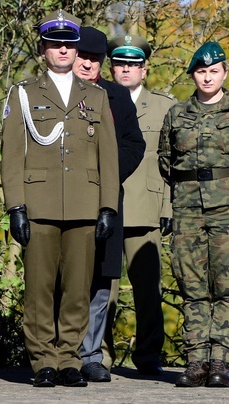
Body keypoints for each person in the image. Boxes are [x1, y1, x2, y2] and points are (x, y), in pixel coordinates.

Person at [1, 11, 120, 387]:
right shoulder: (24, 94)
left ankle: (70, 357)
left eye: (69, 43)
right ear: (43, 50)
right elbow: (10, 154)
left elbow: (109, 156)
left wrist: (107, 206)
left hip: (84, 205)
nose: (64, 50)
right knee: (38, 289)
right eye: (56, 44)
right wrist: (16, 206)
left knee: (77, 289)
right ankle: (43, 361)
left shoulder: (96, 96)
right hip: (39, 205)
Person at [158, 42, 229, 388]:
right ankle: (195, 362)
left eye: (214, 71)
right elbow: (166, 162)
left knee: (228, 286)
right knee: (192, 285)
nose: (207, 77)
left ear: (224, 73)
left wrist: (228, 193)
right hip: (188, 210)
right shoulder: (176, 114)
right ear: (194, 74)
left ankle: (220, 360)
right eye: (201, 71)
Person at [72, 26, 145, 382]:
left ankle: (90, 354)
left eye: (94, 58)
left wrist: (108, 177)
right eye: (82, 55)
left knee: (101, 280)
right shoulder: (54, 92)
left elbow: (135, 144)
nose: (87, 63)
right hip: (64, 198)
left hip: (105, 199)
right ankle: (60, 353)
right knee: (63, 277)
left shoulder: (117, 96)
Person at [108, 34, 176, 375]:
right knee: (102, 290)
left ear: (144, 70)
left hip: (146, 207)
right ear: (111, 66)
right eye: (120, 63)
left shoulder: (164, 106)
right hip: (104, 205)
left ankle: (149, 356)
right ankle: (98, 356)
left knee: (148, 289)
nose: (126, 70)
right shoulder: (97, 98)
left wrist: (168, 209)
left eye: (133, 65)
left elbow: (170, 162)